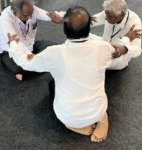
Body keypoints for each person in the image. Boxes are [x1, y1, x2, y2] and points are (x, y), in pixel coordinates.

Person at [7, 6, 116, 143]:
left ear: (64, 30)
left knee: (52, 85)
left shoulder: (53, 53)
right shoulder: (104, 48)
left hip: (69, 117)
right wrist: (126, 43)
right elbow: (116, 53)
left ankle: (76, 125)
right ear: (89, 28)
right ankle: (102, 118)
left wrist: (14, 45)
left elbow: (26, 62)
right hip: (98, 110)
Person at [0, 0, 59, 81]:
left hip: (30, 46)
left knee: (55, 48)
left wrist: (62, 18)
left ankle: (33, 67)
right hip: (10, 51)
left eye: (31, 13)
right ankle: (29, 68)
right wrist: (27, 55)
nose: (30, 17)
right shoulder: (5, 19)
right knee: (20, 66)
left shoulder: (30, 9)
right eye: (26, 15)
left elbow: (49, 15)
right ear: (16, 13)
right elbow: (15, 44)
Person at [90, 0, 142, 70]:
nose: (106, 18)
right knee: (79, 38)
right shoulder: (109, 12)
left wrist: (124, 49)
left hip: (117, 56)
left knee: (92, 59)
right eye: (106, 14)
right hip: (104, 44)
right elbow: (93, 20)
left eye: (110, 17)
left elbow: (137, 50)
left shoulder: (135, 23)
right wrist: (85, 21)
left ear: (122, 14)